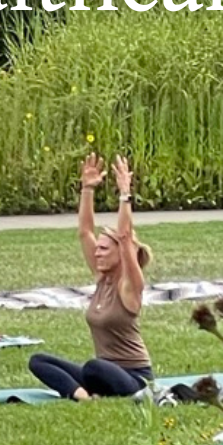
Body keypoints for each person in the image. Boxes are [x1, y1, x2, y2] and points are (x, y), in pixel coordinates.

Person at [28, 155, 151, 400]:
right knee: (38, 361)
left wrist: (124, 194)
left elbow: (125, 236)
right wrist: (87, 189)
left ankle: (87, 391)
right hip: (101, 375)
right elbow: (85, 232)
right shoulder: (102, 278)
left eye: (104, 249)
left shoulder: (129, 286)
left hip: (134, 378)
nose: (97, 252)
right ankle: (83, 396)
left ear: (121, 253)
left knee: (94, 367)